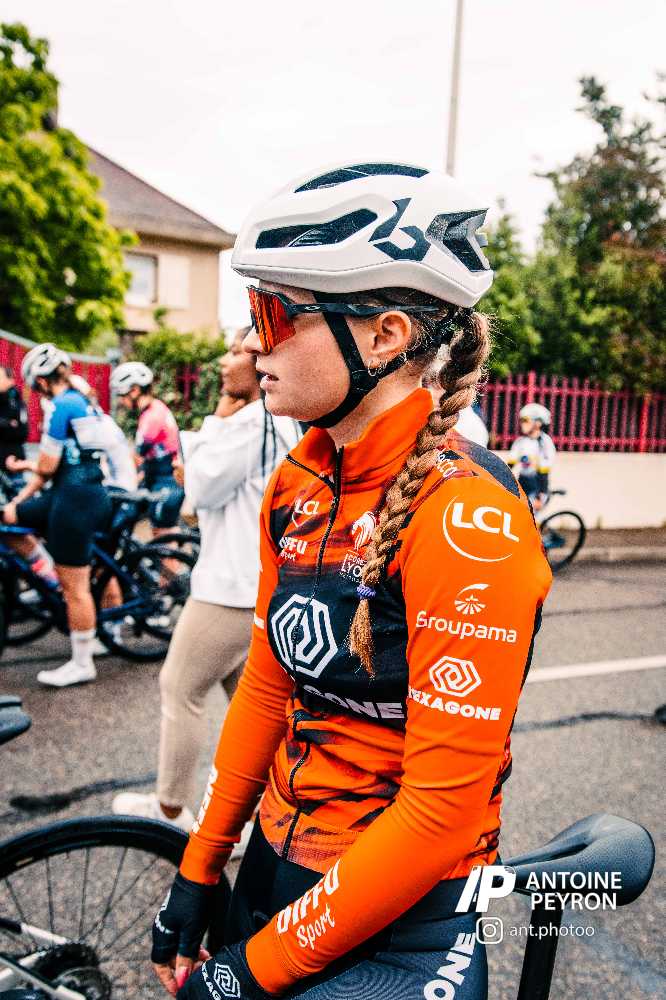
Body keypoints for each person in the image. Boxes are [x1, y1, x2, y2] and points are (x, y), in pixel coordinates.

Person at [151, 162, 552, 1000]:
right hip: (276, 859)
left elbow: (438, 814)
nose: (252, 343)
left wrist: (248, 972)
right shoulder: (298, 480)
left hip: (405, 911)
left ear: (384, 336)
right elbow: (267, 687)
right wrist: (200, 864)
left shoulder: (467, 515)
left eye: (272, 313)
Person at [112, 329, 300, 835]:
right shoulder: (272, 421)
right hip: (251, 582)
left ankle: (169, 811)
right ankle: (259, 820)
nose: (223, 361)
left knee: (179, 689)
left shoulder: (252, 425)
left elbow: (195, 493)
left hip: (229, 588)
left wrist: (214, 422)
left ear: (261, 364)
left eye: (236, 352)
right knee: (254, 712)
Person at [2, 344, 113, 686]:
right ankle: (45, 575)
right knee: (12, 519)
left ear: (40, 381)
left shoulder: (62, 405)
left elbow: (48, 466)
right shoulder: (83, 401)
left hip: (72, 500)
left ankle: (82, 663)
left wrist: (20, 493)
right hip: (86, 493)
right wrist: (19, 502)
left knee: (74, 588)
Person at [110, 361, 184, 537]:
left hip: (165, 482)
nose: (121, 401)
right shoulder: (155, 408)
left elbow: (136, 458)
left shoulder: (152, 417)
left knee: (163, 536)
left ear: (134, 390)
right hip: (162, 479)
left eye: (122, 395)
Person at [507, 403, 556, 511]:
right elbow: (509, 465)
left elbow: (544, 471)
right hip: (522, 481)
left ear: (538, 423)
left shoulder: (544, 443)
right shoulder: (521, 441)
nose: (522, 424)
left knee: (531, 517)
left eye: (525, 420)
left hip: (537, 485)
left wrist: (540, 495)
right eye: (521, 420)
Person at [0, 365, 28, 490]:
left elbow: (21, 431)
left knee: (17, 496)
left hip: (12, 460)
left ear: (10, 380)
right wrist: (7, 423)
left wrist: (4, 424)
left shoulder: (16, 400)